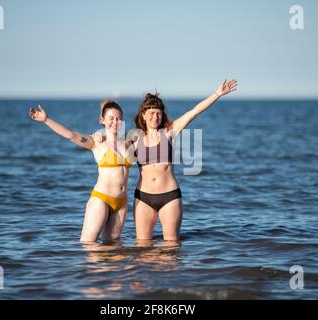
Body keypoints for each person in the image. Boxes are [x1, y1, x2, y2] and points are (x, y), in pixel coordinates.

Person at [133, 79, 238, 241]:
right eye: (152, 113)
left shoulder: (170, 132)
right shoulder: (135, 138)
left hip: (169, 196)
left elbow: (194, 112)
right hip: (143, 197)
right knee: (142, 248)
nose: (156, 116)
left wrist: (217, 94)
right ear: (144, 115)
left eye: (159, 113)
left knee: (171, 248)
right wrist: (98, 138)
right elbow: (111, 142)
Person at [29, 100, 133, 242]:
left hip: (122, 203)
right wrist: (46, 120)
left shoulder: (128, 142)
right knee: (89, 245)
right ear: (102, 120)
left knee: (114, 248)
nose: (115, 122)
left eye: (119, 118)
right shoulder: (96, 142)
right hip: (101, 199)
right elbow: (71, 135)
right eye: (111, 118)